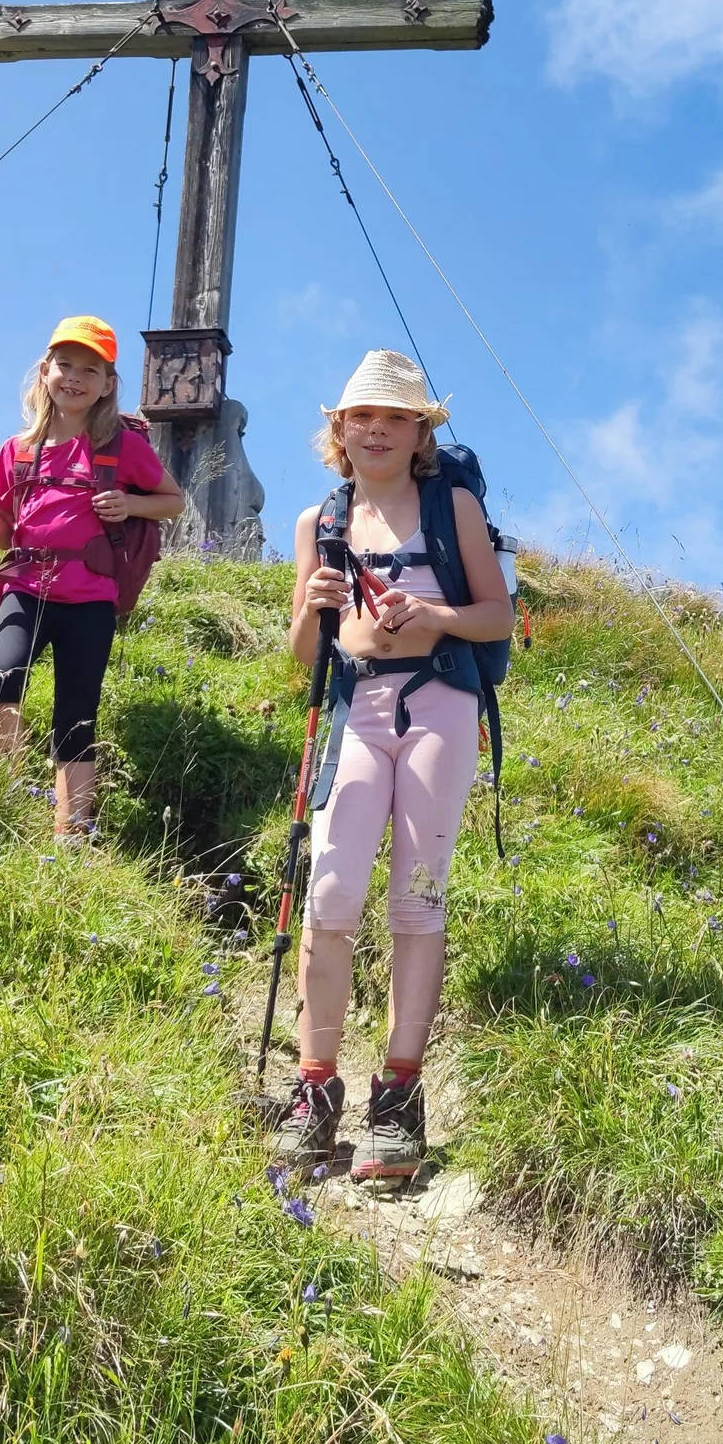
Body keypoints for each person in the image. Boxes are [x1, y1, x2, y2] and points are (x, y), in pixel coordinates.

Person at [285, 349, 513, 1183]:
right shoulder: (320, 523)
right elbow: (305, 651)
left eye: (395, 418)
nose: (376, 430)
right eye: (361, 417)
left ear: (422, 433)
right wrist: (313, 609)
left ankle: (398, 1095)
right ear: (339, 431)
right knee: (331, 890)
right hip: (358, 709)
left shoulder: (451, 506)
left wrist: (434, 613)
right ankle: (315, 1089)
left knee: (418, 895)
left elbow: (496, 617)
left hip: (441, 702)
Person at [0, 317, 183, 843]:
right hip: (24, 586)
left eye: (90, 370)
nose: (74, 377)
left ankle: (69, 836)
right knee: (0, 681)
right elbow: (3, 532)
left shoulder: (122, 446)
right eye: (65, 365)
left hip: (90, 597)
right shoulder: (17, 450)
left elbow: (173, 501)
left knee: (76, 715)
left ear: (108, 384)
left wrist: (131, 504)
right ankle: (3, 805)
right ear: (45, 371)